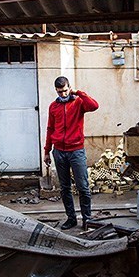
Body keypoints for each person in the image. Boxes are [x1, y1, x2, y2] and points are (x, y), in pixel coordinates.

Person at [43, 76, 99, 230]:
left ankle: (87, 219)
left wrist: (78, 92)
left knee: (83, 187)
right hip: (59, 151)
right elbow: (50, 129)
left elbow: (94, 106)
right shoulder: (53, 106)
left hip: (76, 151)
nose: (63, 94)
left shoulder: (79, 102)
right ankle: (71, 218)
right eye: (60, 92)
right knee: (65, 188)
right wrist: (47, 151)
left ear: (70, 88)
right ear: (56, 90)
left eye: (66, 90)